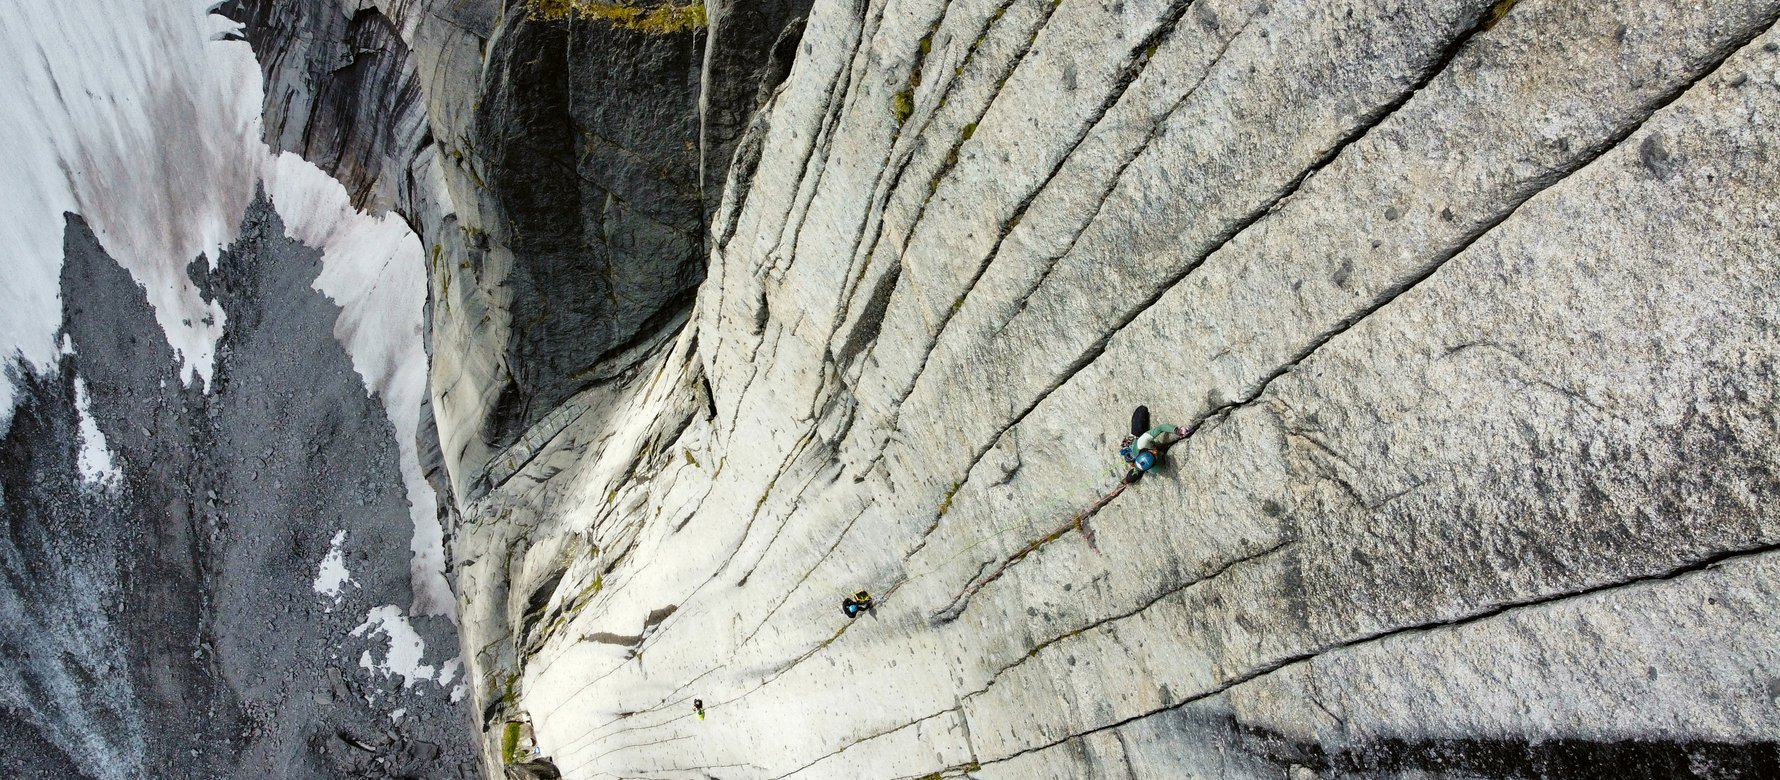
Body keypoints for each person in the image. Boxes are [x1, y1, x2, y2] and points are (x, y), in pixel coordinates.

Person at [1120, 405, 1191, 483]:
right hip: (1138, 457)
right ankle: (1129, 479)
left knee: (1141, 411)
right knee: (1136, 472)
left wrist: (1176, 430)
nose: (1155, 452)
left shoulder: (1142, 442)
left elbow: (1160, 428)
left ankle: (1128, 478)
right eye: (1154, 456)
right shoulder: (1155, 469)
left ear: (1145, 450)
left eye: (1151, 453)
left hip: (1136, 443)